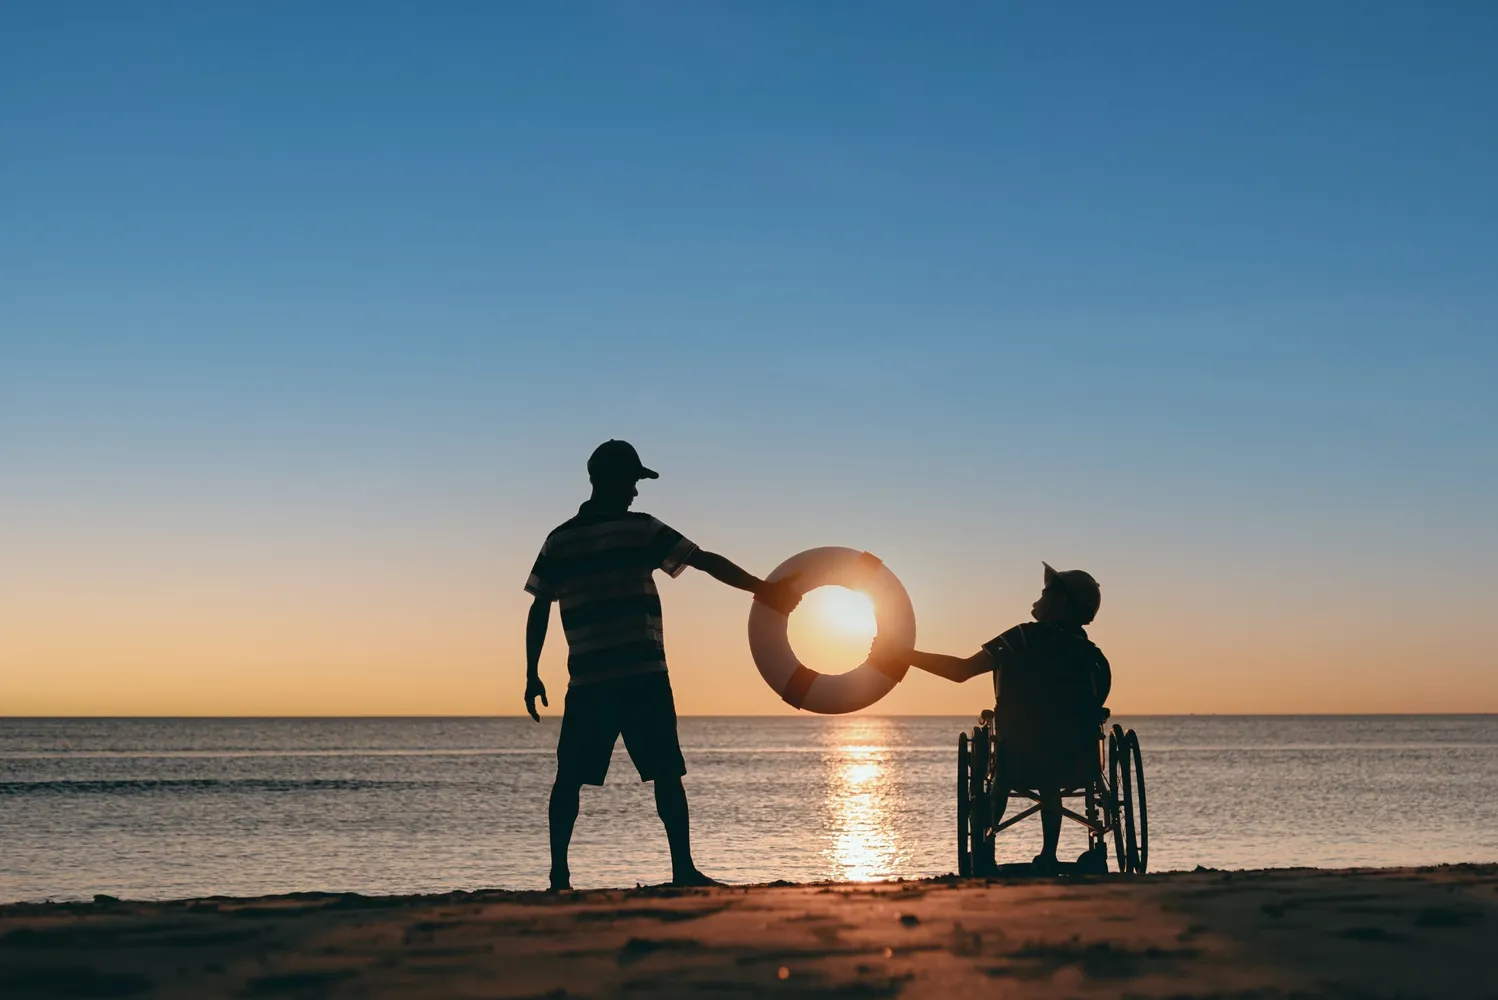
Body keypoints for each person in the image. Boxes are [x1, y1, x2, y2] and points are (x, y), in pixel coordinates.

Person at [523, 439, 801, 891]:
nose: (636, 492)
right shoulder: (639, 529)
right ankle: (682, 870)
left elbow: (539, 606)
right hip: (642, 675)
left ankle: (559, 877)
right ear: (615, 482)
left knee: (570, 777)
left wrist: (532, 672)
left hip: (590, 681)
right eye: (633, 481)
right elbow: (704, 560)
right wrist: (761, 590)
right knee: (665, 774)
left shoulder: (560, 539)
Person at [874, 563, 1110, 873]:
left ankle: (986, 846)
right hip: (1076, 762)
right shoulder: (1092, 657)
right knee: (1049, 771)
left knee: (1006, 768)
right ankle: (1050, 855)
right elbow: (1098, 704)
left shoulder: (1020, 639)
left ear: (1062, 601)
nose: (1039, 596)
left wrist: (903, 654)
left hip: (1017, 758)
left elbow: (960, 671)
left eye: (1046, 592)